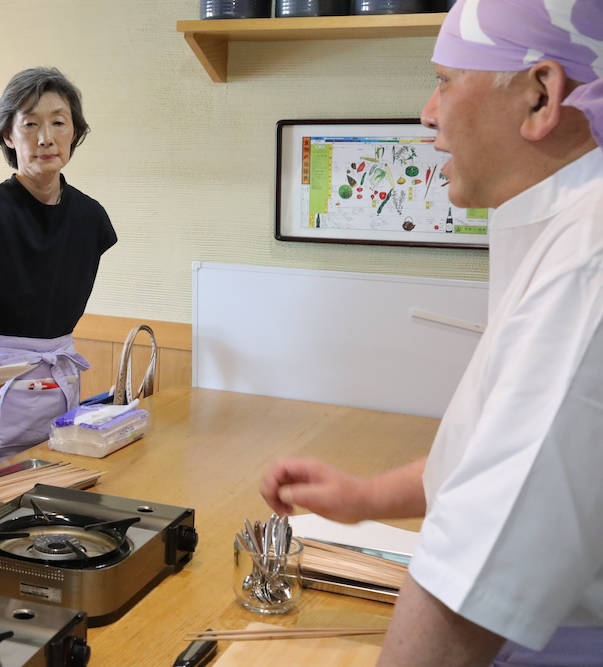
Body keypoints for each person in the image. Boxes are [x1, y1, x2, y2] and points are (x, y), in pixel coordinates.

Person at [261, 1, 603, 664]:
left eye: (445, 81)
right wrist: (365, 497)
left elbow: (473, 582)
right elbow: (499, 449)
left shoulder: (588, 260)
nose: (427, 112)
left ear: (540, 95)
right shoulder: (559, 226)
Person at [0, 67, 117, 462]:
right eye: (30, 124)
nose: (45, 137)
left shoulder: (91, 218)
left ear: (74, 131)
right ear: (8, 135)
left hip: (59, 379)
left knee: (55, 474)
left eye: (58, 122)